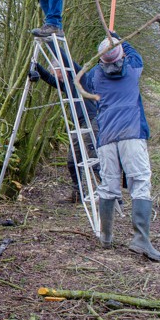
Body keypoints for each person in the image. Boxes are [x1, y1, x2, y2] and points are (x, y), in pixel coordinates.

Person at [80, 33, 160, 262]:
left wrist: (105, 45)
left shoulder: (93, 77)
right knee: (140, 182)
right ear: (122, 54)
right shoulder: (133, 69)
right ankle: (140, 240)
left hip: (106, 137)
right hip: (131, 134)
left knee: (108, 186)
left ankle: (106, 237)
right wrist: (118, 39)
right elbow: (135, 55)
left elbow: (91, 71)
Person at [28, 45, 99, 203]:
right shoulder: (67, 84)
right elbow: (50, 79)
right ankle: (77, 193)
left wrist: (51, 43)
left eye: (57, 73)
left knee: (94, 159)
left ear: (63, 69)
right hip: (79, 124)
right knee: (73, 160)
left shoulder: (79, 77)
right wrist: (36, 66)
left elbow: (66, 60)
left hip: (92, 121)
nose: (57, 77)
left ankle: (109, 194)